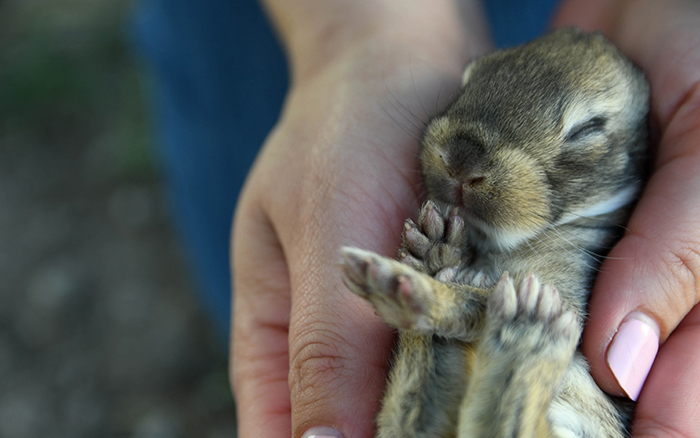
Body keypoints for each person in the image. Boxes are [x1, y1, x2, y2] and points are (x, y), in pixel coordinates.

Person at [137, 0, 700, 437]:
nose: (461, 171)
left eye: (581, 135)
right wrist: (358, 40)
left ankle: (507, 393)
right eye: (468, 89)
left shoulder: (602, 233)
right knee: (307, 310)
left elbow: (542, 314)